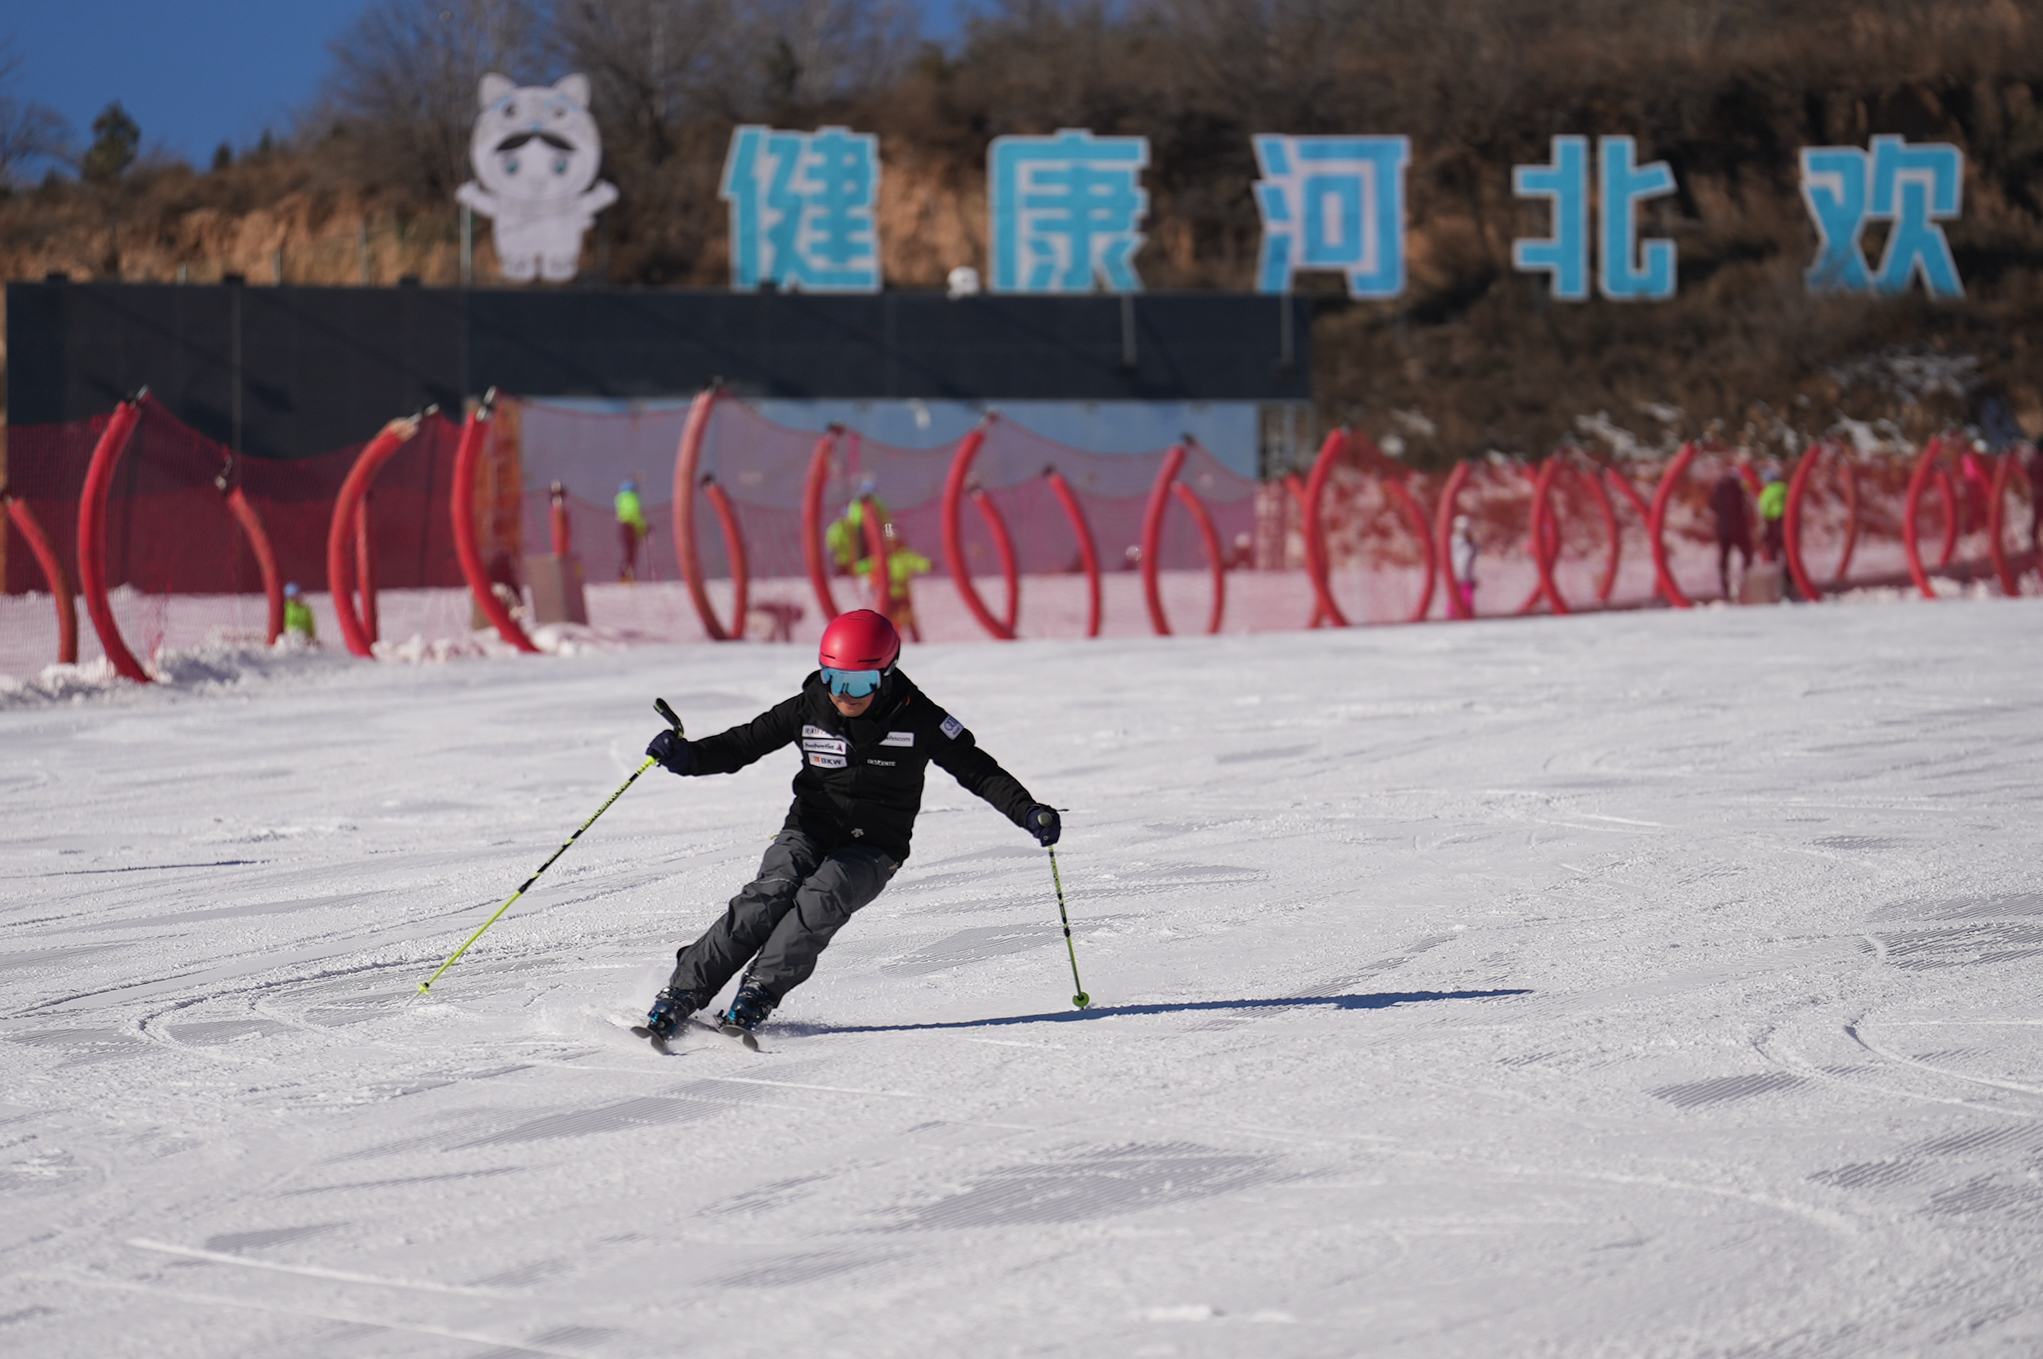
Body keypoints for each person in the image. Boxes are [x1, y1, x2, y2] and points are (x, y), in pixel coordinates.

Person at [638, 609, 1061, 1042]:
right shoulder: (810, 707)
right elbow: (741, 744)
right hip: (809, 828)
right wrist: (686, 757)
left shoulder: (921, 719)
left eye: (859, 684)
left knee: (823, 898)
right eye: (833, 678)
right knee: (769, 895)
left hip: (875, 846)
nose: (845, 694)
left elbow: (978, 770)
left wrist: (1027, 810)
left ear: (887, 674)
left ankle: (759, 991)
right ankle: (682, 992)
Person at [1708, 467, 1753, 599]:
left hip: (1722, 530)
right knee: (1747, 554)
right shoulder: (1740, 488)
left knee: (1724, 558)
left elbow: (1713, 505)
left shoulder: (1719, 489)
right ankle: (1746, 582)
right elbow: (1747, 506)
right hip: (1738, 529)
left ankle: (1724, 586)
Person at [615, 478, 647, 581]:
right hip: (630, 527)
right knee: (631, 552)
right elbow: (634, 516)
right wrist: (643, 527)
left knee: (628, 552)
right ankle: (625, 574)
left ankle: (625, 574)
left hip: (623, 527)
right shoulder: (632, 499)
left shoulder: (621, 499)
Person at [1756, 467, 1787, 563]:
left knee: (1772, 545)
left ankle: (1773, 564)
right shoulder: (1784, 488)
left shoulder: (1768, 491)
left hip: (1773, 520)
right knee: (1785, 546)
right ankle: (1788, 569)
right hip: (1785, 519)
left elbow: (1763, 506)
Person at [1449, 513, 1478, 615]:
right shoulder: (1461, 542)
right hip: (1462, 576)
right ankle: (1461, 614)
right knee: (1463, 599)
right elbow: (1465, 559)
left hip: (1458, 576)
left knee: (1458, 599)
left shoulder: (1455, 541)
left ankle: (1456, 615)